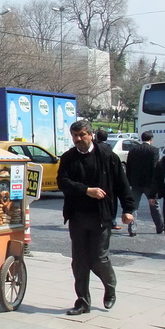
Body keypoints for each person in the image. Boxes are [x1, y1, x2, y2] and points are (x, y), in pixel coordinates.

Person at [56, 119, 134, 315]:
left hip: (101, 215)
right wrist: (86, 190)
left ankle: (110, 286)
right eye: (75, 135)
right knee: (79, 261)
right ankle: (82, 302)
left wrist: (128, 209)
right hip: (77, 215)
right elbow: (62, 182)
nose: (78, 139)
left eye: (82, 135)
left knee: (99, 259)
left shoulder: (107, 156)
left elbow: (121, 184)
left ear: (91, 135)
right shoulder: (68, 157)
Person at [125, 131, 164, 237]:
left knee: (133, 206)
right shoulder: (154, 150)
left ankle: (132, 229)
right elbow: (154, 167)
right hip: (149, 184)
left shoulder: (133, 150)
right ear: (151, 139)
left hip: (135, 183)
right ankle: (160, 227)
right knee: (154, 206)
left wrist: (129, 181)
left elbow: (128, 166)